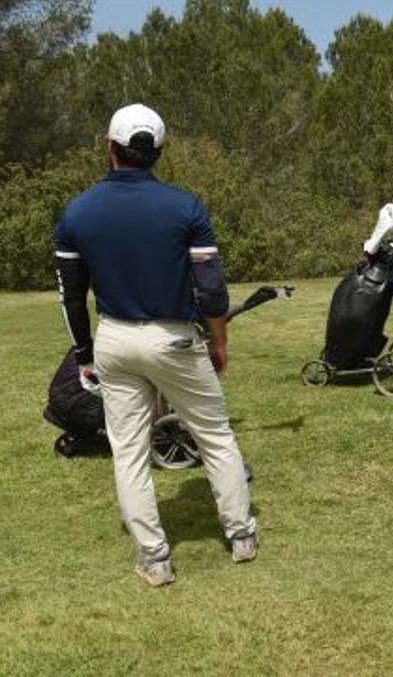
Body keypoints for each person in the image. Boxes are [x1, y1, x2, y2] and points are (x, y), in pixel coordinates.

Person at [54, 103, 257, 586]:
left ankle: (154, 558)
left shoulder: (78, 212)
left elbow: (72, 299)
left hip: (114, 340)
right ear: (159, 152)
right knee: (215, 436)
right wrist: (220, 340)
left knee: (128, 451)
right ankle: (241, 535)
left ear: (109, 146)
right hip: (174, 338)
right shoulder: (185, 206)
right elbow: (211, 290)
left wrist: (83, 356)